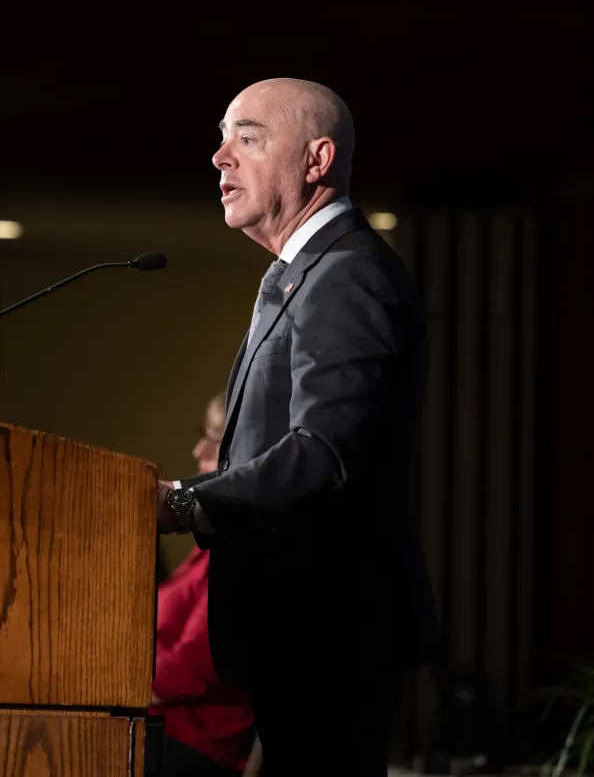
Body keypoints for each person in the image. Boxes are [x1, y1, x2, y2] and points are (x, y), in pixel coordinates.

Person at [154, 78, 442, 775]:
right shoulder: (306, 271)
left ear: (316, 160)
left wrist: (186, 500)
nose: (221, 157)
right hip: (301, 636)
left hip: (329, 635)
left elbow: (322, 455)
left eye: (247, 137)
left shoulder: (344, 273)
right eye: (221, 139)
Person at [150, 394, 256, 777]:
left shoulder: (239, 545)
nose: (198, 449)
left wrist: (125, 678)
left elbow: (202, 655)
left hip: (195, 739)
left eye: (212, 437)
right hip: (161, 719)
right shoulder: (209, 543)